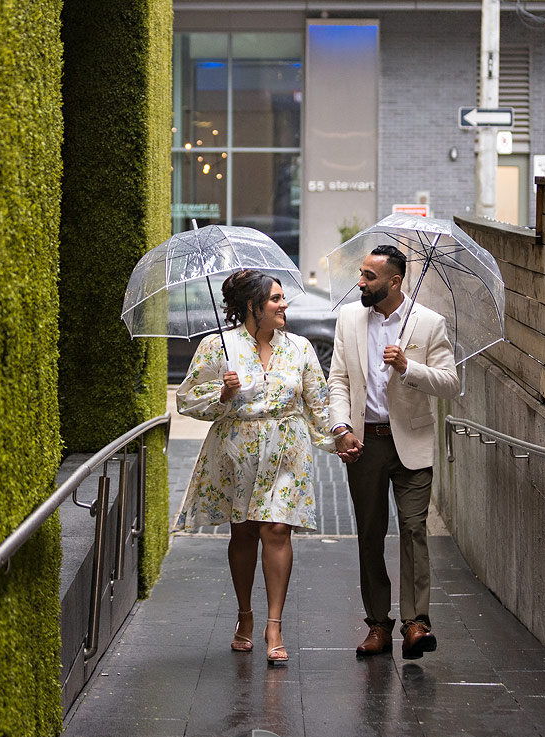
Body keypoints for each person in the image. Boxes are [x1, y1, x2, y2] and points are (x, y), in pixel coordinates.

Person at [175, 268, 336, 664]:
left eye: (283, 298)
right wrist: (223, 392)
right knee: (244, 532)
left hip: (287, 450)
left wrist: (340, 439)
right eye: (275, 299)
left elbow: (318, 403)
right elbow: (186, 400)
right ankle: (244, 615)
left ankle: (274, 624)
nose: (284, 305)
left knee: (278, 528)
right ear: (252, 306)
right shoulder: (218, 347)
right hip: (236, 451)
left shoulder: (300, 348)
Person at [329, 244, 459, 660]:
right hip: (364, 442)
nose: (361, 282)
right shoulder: (349, 318)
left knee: (414, 529)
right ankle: (378, 625)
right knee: (369, 534)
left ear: (395, 281)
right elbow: (338, 381)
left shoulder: (429, 323)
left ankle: (416, 623)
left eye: (369, 276)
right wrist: (340, 427)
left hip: (412, 443)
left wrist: (408, 367)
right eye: (362, 274)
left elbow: (450, 383)